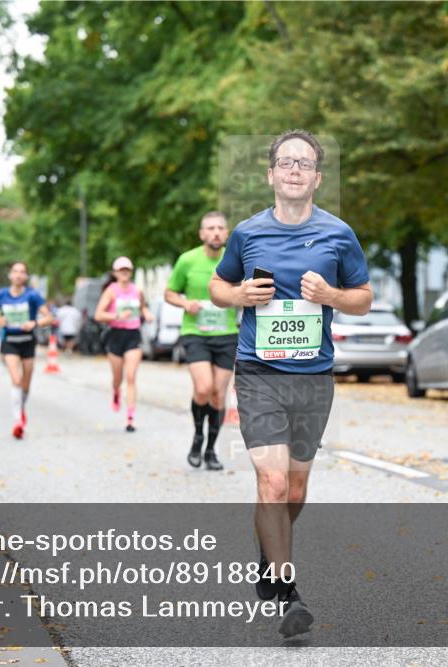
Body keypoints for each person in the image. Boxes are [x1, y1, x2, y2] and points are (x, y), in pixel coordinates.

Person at [209, 130, 372, 638]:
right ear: (271, 174)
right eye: (286, 161)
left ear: (318, 178)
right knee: (273, 483)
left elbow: (364, 297)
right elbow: (217, 287)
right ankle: (287, 591)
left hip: (314, 376)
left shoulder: (339, 235)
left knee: (294, 489)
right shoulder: (247, 232)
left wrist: (331, 295)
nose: (295, 170)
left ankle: (267, 547)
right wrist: (237, 294)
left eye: (304, 163)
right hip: (259, 373)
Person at [165, 211, 238, 471]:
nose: (216, 232)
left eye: (221, 228)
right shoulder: (188, 260)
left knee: (219, 395)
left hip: (227, 333)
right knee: (204, 388)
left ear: (227, 233)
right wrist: (185, 302)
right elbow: (169, 293)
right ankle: (197, 437)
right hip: (195, 332)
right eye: (211, 228)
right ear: (202, 233)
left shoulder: (235, 259)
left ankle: (210, 449)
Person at [0, 261, 53, 439]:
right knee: (16, 379)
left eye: (22, 272)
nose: (18, 275)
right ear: (10, 275)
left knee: (26, 384)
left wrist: (35, 322)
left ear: (25, 277)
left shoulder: (33, 296)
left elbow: (49, 317)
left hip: (28, 342)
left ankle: (21, 407)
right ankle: (18, 420)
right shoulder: (1, 294)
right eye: (15, 271)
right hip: (10, 341)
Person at [94, 257, 153, 432]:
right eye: (121, 270)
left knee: (131, 376)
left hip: (133, 335)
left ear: (131, 271)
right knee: (118, 378)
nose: (124, 272)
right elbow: (98, 315)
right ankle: (116, 391)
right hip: (115, 335)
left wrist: (147, 313)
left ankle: (130, 418)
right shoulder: (111, 291)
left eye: (127, 269)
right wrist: (116, 316)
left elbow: (142, 307)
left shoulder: (137, 291)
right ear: (115, 273)